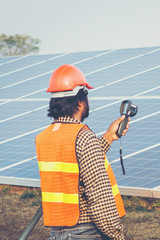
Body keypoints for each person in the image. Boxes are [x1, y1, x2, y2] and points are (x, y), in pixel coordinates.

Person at [35, 64, 129, 239]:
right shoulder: (84, 137)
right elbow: (100, 199)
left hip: (57, 233)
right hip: (85, 233)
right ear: (79, 101)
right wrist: (117, 235)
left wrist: (109, 136)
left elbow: (77, 169)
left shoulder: (44, 138)